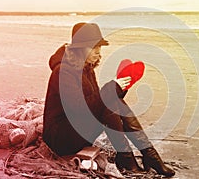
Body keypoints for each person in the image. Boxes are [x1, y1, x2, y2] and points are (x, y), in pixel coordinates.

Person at [42, 22, 175, 177]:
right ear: (79, 48)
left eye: (100, 47)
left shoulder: (87, 68)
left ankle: (145, 156)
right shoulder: (63, 71)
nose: (99, 53)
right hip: (61, 138)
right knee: (109, 99)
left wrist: (118, 90)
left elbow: (97, 104)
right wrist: (111, 89)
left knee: (111, 102)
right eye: (94, 47)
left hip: (78, 129)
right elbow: (80, 109)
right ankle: (136, 158)